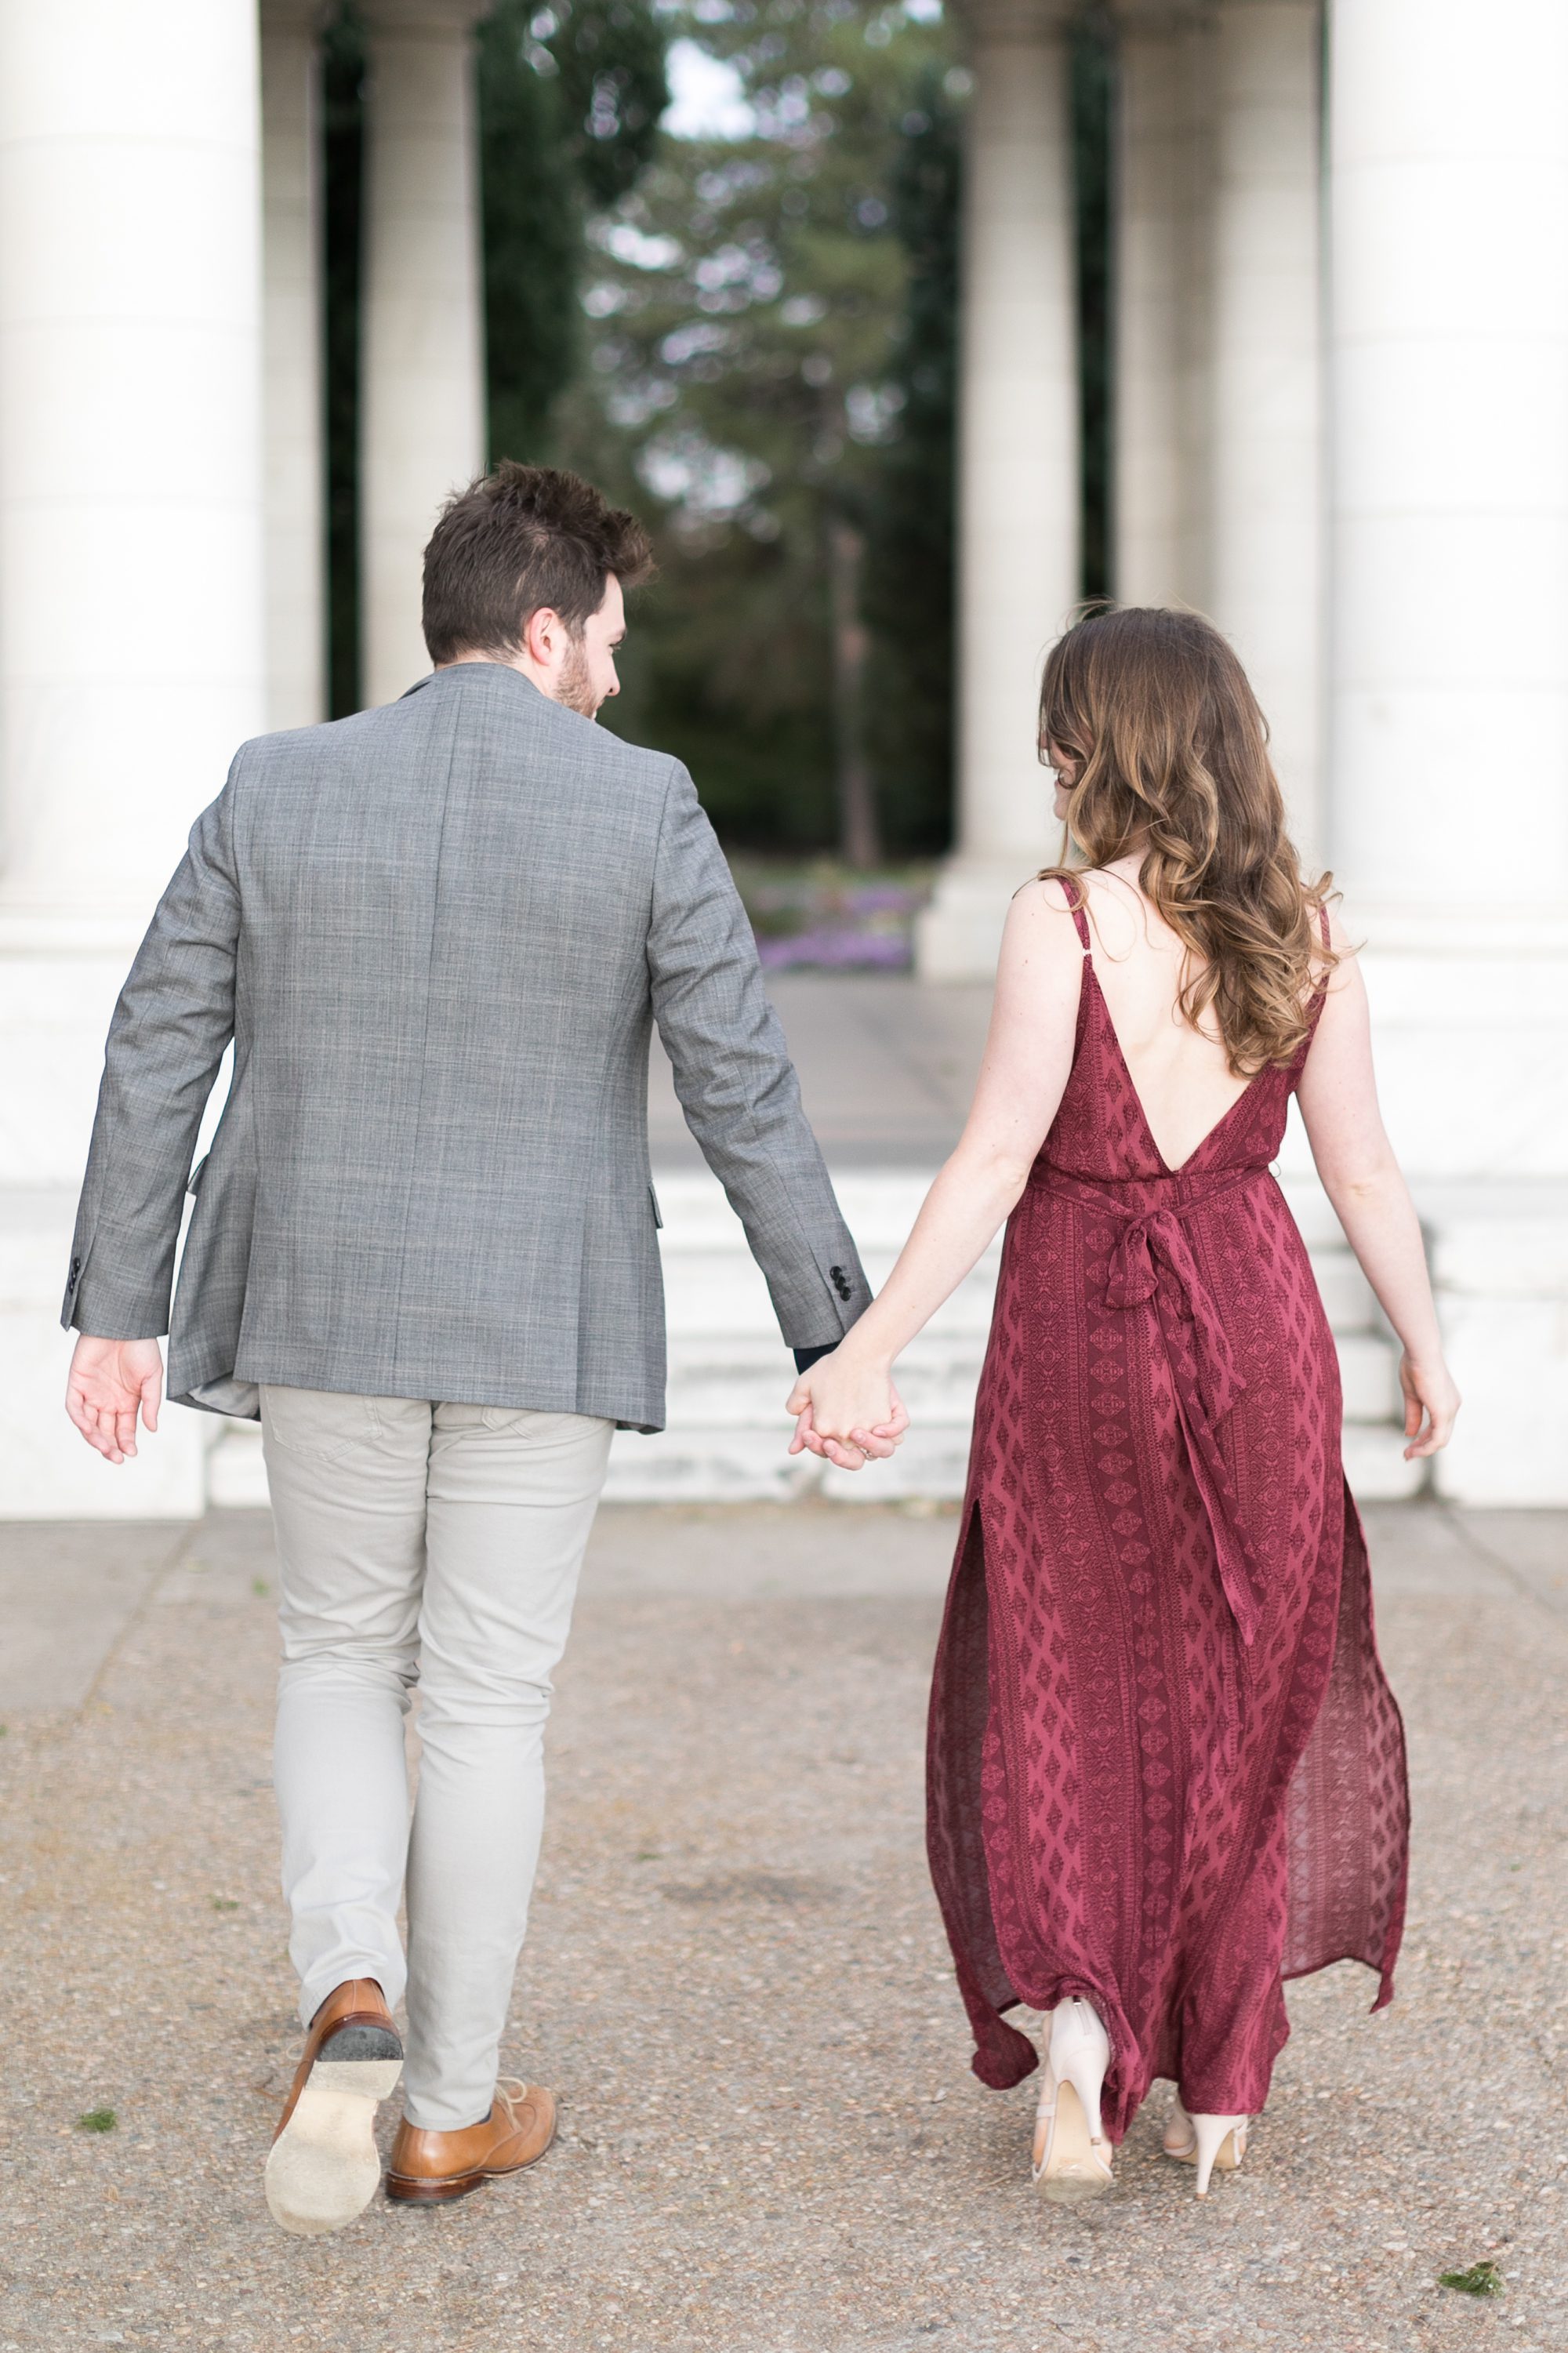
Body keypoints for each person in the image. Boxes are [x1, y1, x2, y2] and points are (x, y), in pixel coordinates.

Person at [61, 463, 898, 2238]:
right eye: (608, 636)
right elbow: (737, 1076)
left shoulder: (274, 785)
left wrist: (116, 1307)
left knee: (341, 1649)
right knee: (492, 1695)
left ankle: (350, 1984)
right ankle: (446, 2108)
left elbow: (158, 1041)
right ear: (542, 626)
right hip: (542, 1312)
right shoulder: (643, 805)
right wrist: (838, 1331)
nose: (618, 672)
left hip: (323, 1299)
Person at [789, 605, 1457, 2200]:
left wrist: (868, 1344)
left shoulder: (1060, 919)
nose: (1045, 757)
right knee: (1248, 1685)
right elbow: (1358, 1167)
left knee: (1070, 1674)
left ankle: (1087, 2025)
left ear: (1097, 744)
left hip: (1074, 1330)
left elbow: (996, 1156)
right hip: (1257, 1325)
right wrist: (1424, 1346)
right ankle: (1220, 2082)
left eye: (1057, 731)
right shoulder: (1306, 930)